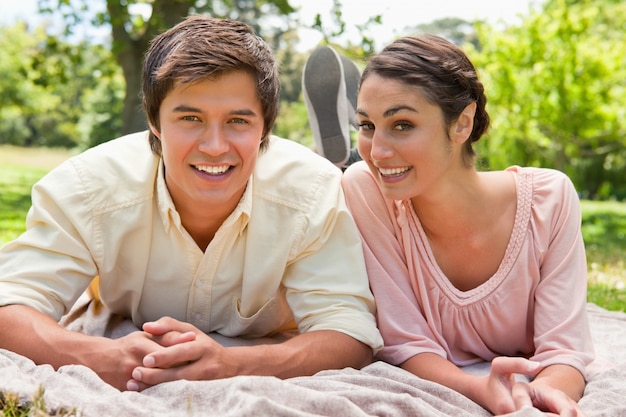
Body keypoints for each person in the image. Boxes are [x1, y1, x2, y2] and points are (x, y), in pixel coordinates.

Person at [0, 15, 383, 392]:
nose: (214, 146)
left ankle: (350, 155)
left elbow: (349, 334)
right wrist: (98, 355)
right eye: (190, 118)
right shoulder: (86, 188)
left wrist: (233, 364)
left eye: (237, 121)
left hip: (305, 188)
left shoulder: (314, 193)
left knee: (358, 187)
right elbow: (9, 304)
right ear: (154, 121)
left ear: (265, 125)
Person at [336, 34, 594, 416]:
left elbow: (565, 348)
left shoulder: (550, 199)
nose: (377, 150)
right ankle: (328, 159)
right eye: (368, 125)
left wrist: (544, 394)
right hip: (359, 198)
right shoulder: (367, 188)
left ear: (462, 124)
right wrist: (478, 389)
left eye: (402, 125)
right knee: (329, 189)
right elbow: (407, 342)